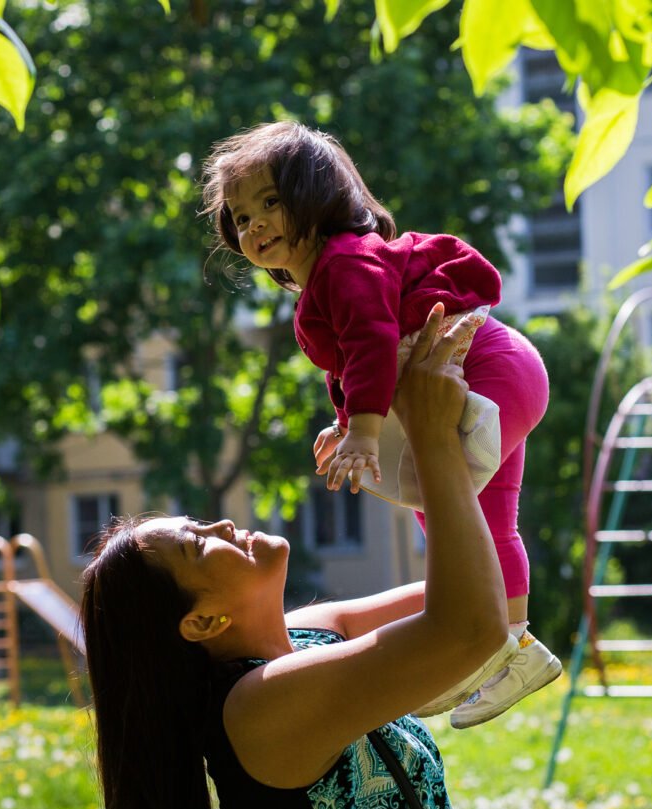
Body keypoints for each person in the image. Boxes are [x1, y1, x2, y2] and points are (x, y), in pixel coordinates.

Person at [200, 120, 559, 727]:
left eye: (269, 203)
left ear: (317, 199)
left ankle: (482, 647)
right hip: (500, 372)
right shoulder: (326, 279)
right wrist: (347, 423)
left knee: (447, 509)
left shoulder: (344, 262)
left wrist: (365, 431)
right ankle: (514, 651)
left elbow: (371, 342)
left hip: (486, 369)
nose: (253, 224)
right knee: (474, 521)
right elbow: (352, 364)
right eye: (240, 215)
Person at [81, 306, 511, 809]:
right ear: (199, 622)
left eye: (198, 523)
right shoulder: (256, 709)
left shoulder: (307, 635)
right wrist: (430, 434)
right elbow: (470, 627)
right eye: (197, 545)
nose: (219, 525)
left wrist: (397, 436)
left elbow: (484, 596)